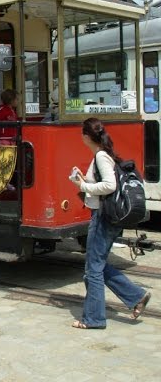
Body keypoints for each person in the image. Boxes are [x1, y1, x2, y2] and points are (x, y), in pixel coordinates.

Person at [69, 117, 151, 329]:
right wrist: (82, 181)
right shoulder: (103, 154)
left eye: (81, 133)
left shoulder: (101, 157)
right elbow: (102, 184)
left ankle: (94, 318)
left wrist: (84, 187)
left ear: (87, 136)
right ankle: (136, 297)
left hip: (103, 217)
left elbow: (109, 185)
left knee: (93, 270)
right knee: (97, 265)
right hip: (105, 215)